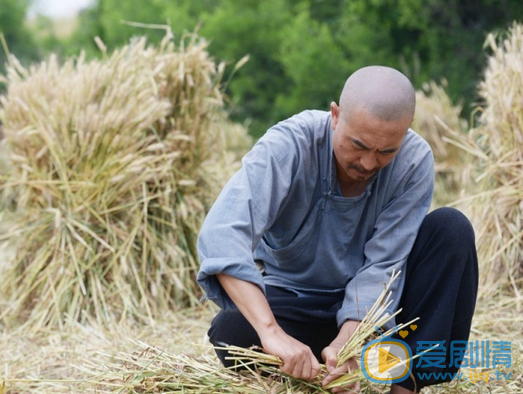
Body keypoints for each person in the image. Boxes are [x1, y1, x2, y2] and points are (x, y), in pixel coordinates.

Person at [196, 66, 478, 393]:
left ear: (405, 131)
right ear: (335, 115)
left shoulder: (414, 161)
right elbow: (222, 234)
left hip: (379, 314)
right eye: (358, 145)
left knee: (451, 229)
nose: (368, 163)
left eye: (386, 151)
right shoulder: (288, 145)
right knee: (232, 331)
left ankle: (405, 384)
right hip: (296, 302)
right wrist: (271, 332)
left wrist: (351, 340)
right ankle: (314, 365)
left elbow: (383, 265)